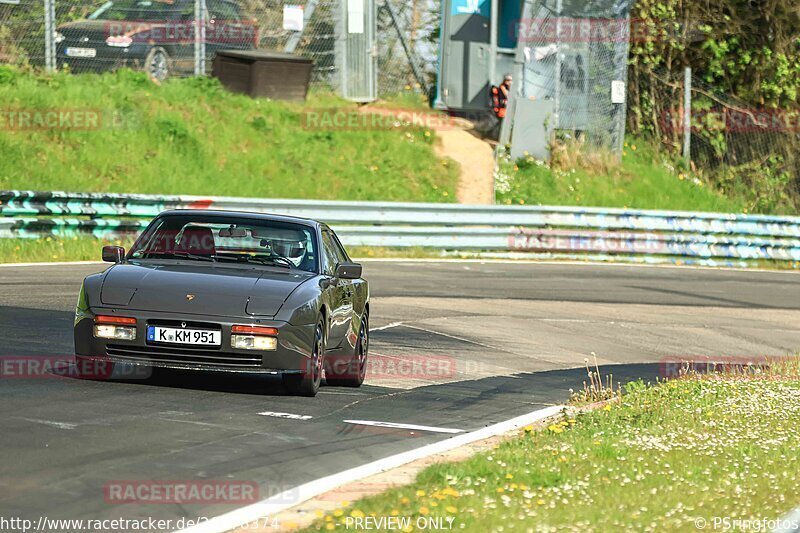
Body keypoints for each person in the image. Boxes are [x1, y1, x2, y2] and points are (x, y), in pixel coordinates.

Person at [488, 74, 513, 140]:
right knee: (501, 123)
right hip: (501, 109)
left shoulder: (509, 88)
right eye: (508, 80)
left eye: (510, 80)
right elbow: (503, 99)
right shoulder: (502, 88)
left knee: (501, 123)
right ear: (505, 80)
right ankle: (493, 135)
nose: (509, 82)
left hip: (505, 109)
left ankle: (491, 134)